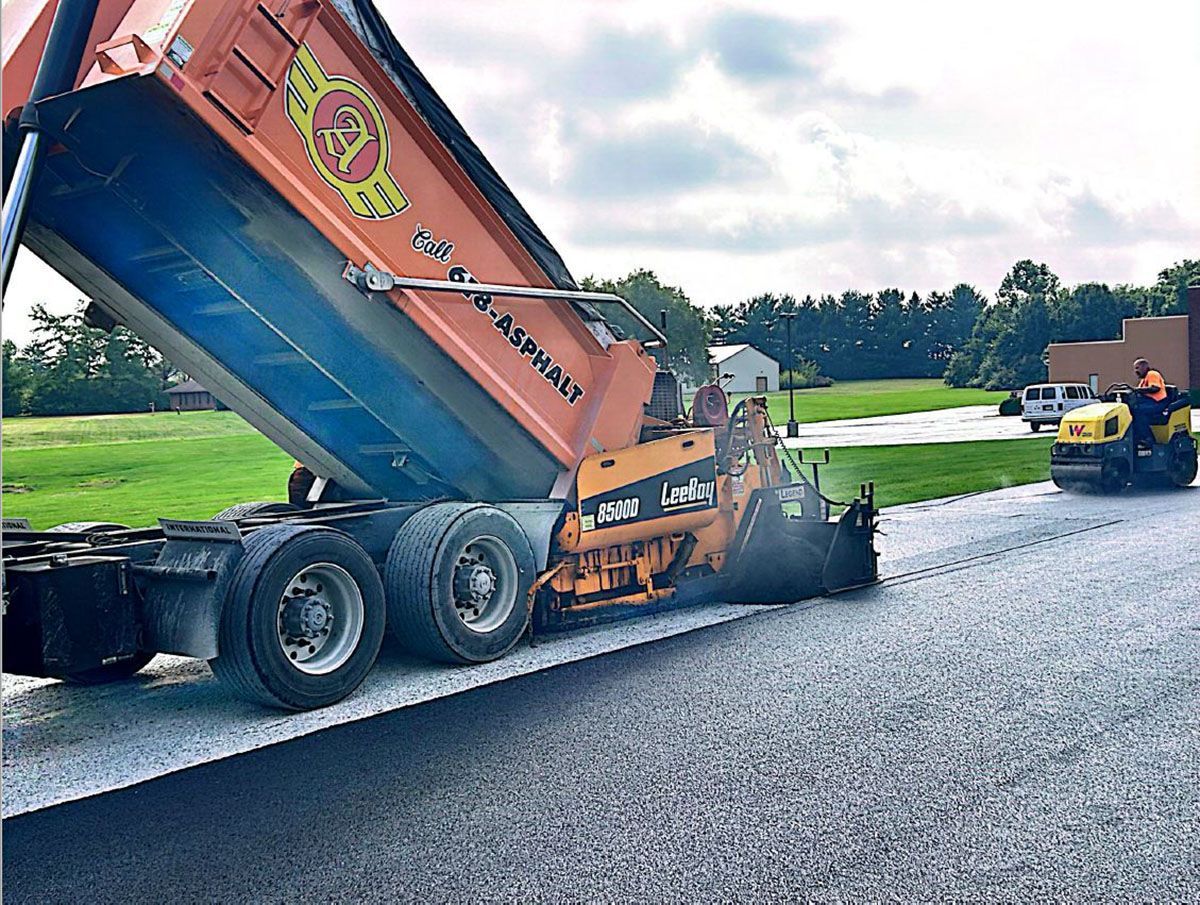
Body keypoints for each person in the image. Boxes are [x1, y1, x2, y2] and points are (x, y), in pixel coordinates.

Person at [1130, 358, 1168, 446]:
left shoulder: (1152, 374)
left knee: (1138, 411)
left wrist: (1138, 390)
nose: (1136, 371)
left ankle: (1148, 438)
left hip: (1158, 403)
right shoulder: (1143, 380)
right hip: (1150, 402)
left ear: (1144, 367)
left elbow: (1155, 388)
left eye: (1137, 368)